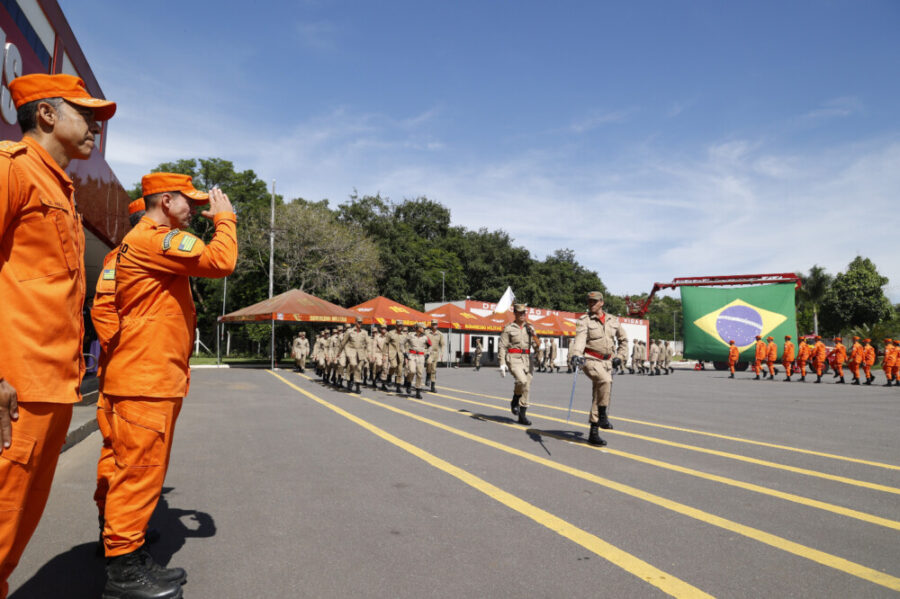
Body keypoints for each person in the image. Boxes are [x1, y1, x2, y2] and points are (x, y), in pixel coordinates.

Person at [0, 73, 116, 597]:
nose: (95, 126)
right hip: (15, 389)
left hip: (51, 389)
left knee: (13, 534)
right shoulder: (11, 168)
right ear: (46, 114)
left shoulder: (61, 189)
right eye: (85, 115)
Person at [98, 172, 236, 597]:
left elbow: (107, 311)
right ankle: (124, 573)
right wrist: (226, 219)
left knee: (127, 468)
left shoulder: (132, 246)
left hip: (137, 373)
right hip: (146, 377)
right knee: (139, 471)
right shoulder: (156, 239)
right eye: (188, 201)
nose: (194, 209)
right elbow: (221, 261)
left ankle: (124, 548)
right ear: (166, 202)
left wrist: (123, 353)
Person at [569, 292, 628, 446]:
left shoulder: (613, 320)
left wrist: (620, 356)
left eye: (594, 301)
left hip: (607, 362)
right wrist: (576, 354)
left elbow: (623, 340)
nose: (591, 304)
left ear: (602, 302)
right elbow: (580, 339)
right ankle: (603, 416)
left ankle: (593, 433)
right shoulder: (584, 321)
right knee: (605, 381)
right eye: (589, 301)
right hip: (590, 359)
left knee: (599, 394)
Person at [498, 304, 540, 426]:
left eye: (524, 313)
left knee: (527, 387)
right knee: (522, 381)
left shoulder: (529, 327)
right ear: (515, 313)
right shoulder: (509, 328)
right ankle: (515, 399)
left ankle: (522, 416)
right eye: (520, 313)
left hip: (527, 359)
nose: (522, 315)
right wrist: (502, 363)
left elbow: (536, 346)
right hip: (514, 358)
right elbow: (502, 346)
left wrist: (535, 336)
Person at [341, 317, 369, 393]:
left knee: (359, 369)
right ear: (355, 322)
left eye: (361, 322)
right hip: (351, 352)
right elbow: (343, 343)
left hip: (361, 353)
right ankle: (350, 379)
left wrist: (368, 353)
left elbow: (368, 343)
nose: (360, 323)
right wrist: (339, 353)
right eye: (358, 322)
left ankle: (357, 386)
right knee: (353, 365)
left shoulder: (364, 332)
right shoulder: (349, 331)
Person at [406, 323, 431, 398]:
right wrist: (404, 352)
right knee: (412, 371)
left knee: (420, 374)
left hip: (421, 356)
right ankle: (409, 382)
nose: (424, 329)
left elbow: (430, 345)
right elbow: (402, 343)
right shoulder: (410, 335)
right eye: (423, 328)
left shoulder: (425, 337)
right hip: (412, 355)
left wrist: (428, 353)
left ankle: (418, 391)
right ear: (419, 328)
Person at [425, 320, 445, 392]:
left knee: (434, 369)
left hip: (436, 353)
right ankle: (428, 375)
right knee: (429, 363)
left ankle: (432, 386)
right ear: (431, 325)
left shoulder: (440, 334)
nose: (434, 326)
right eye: (433, 324)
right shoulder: (427, 332)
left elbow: (442, 344)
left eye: (435, 324)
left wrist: (442, 353)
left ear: (437, 325)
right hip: (428, 352)